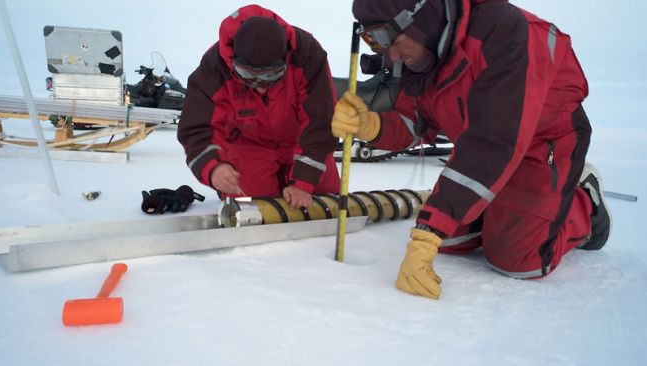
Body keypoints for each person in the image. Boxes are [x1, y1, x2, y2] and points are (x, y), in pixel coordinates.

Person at [332, 0, 611, 299]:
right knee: (450, 240)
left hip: (544, 143)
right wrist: (371, 125)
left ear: (420, 18)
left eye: (393, 41)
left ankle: (583, 199)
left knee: (519, 260)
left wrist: (428, 234)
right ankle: (502, 210)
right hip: (482, 147)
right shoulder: (423, 53)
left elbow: (492, 142)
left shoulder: (504, 32)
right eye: (377, 44)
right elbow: (416, 122)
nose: (393, 55)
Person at [178, 5, 340, 209]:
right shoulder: (214, 67)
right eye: (247, 75)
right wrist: (213, 167)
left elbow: (321, 121)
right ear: (233, 61)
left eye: (271, 76)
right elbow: (197, 128)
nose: (260, 89)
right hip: (248, 145)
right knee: (247, 205)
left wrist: (303, 183)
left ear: (285, 59)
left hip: (301, 142)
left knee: (326, 201)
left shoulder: (307, 54)